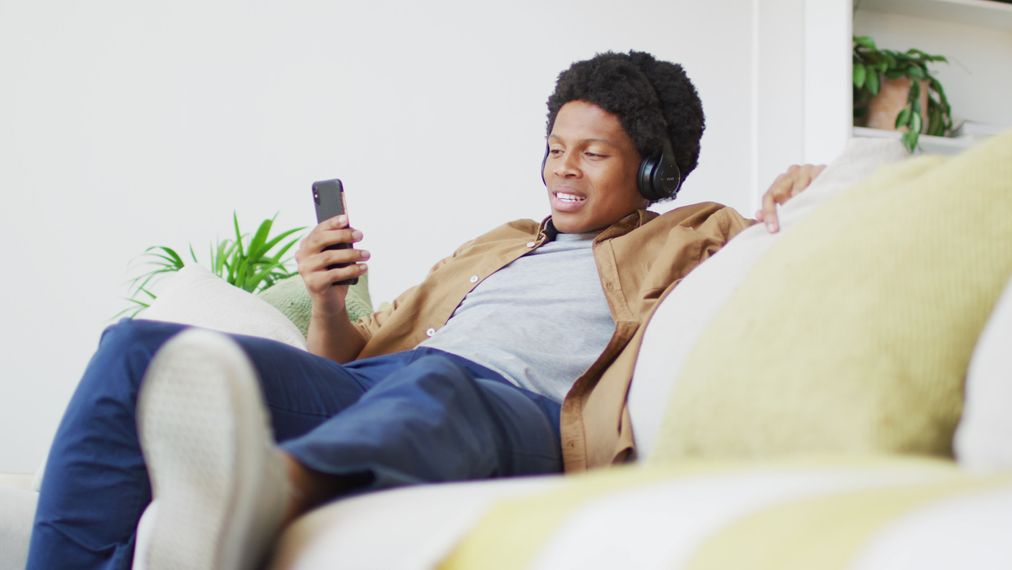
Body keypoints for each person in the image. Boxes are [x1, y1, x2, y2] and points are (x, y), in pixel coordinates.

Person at [26, 50, 824, 569]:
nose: (562, 169)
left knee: (440, 386)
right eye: (555, 146)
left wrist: (808, 184)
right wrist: (328, 301)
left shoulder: (698, 229)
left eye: (593, 151)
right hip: (393, 383)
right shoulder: (498, 242)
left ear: (652, 171)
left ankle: (271, 488)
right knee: (137, 350)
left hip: (525, 413)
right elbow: (348, 359)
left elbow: (790, 240)